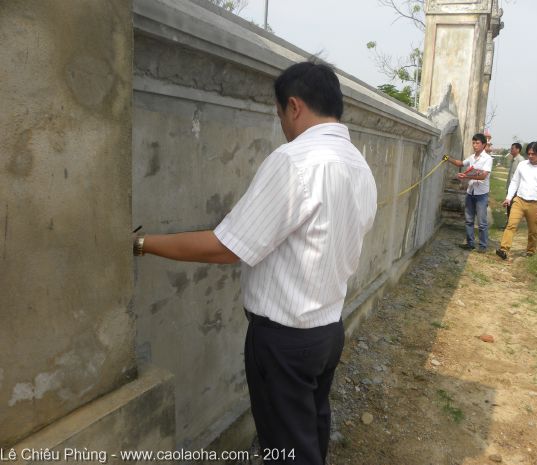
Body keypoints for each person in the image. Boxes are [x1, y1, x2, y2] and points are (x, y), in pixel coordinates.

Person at [133, 61, 377, 465]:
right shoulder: (358, 165)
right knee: (311, 428)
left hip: (285, 341)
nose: (282, 124)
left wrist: (143, 243)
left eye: (279, 114)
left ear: (294, 106)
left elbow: (227, 247)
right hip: (327, 331)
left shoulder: (294, 161)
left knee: (286, 449)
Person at [496, 141, 537, 260]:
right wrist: (509, 198)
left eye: (533, 154)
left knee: (533, 230)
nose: (530, 156)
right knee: (511, 225)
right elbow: (515, 182)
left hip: (535, 204)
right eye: (529, 154)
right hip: (519, 201)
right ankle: (504, 249)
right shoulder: (522, 165)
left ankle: (531, 250)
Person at [445, 133, 493, 253]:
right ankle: (470, 243)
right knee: (469, 220)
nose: (475, 145)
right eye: (473, 143)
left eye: (477, 143)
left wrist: (466, 176)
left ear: (484, 145)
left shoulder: (487, 159)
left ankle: (483, 246)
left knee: (481, 222)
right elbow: (460, 163)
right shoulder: (472, 157)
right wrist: (447, 158)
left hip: (481, 194)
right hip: (470, 192)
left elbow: (483, 176)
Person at [505, 142, 524, 223]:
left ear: (518, 149)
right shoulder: (513, 159)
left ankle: (511, 225)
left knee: (513, 208)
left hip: (516, 190)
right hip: (510, 188)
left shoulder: (521, 160)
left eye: (512, 148)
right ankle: (508, 224)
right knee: (508, 206)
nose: (511, 150)